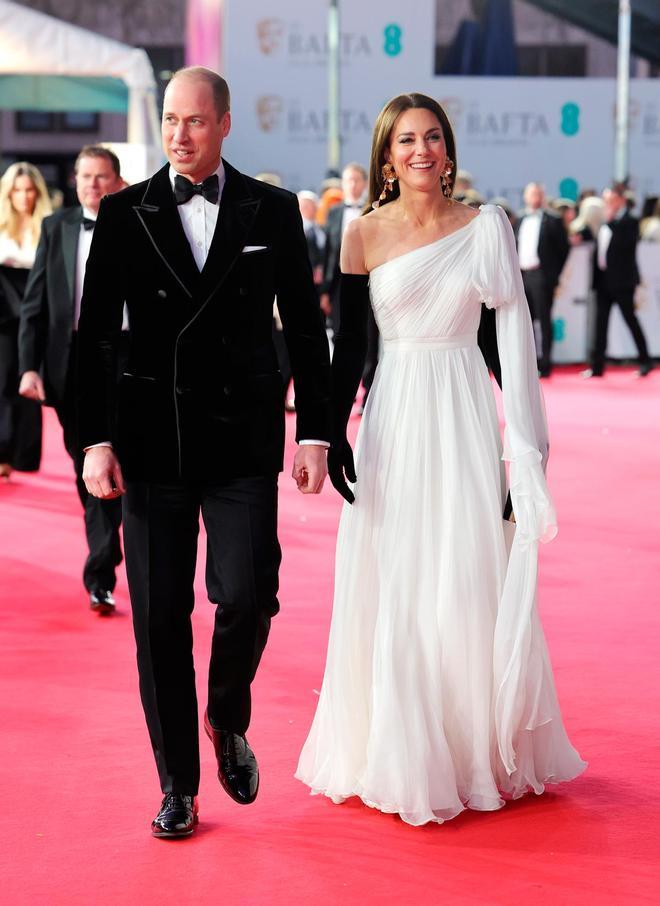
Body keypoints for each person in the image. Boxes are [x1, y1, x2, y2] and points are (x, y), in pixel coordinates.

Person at [296, 92, 586, 826]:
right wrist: (329, 433)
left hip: (462, 418)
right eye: (404, 141)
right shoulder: (361, 234)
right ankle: (401, 749)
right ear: (386, 157)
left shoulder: (485, 227)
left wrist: (526, 450)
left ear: (449, 150)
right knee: (398, 575)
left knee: (462, 572)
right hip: (397, 417)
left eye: (431, 138)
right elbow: (350, 346)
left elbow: (504, 344)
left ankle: (470, 751)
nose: (420, 150)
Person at [76, 66, 331, 838]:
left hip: (242, 439)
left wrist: (314, 430)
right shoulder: (125, 212)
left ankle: (227, 714)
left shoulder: (274, 210)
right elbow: (91, 338)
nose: (180, 135)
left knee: (250, 592)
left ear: (224, 123)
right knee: (158, 619)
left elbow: (306, 333)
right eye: (169, 121)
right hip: (151, 442)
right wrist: (92, 438)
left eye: (194, 120)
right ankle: (178, 785)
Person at [18, 146, 125, 613]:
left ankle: (102, 568)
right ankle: (106, 550)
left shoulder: (136, 222)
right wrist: (28, 366)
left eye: (101, 177)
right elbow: (34, 304)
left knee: (128, 460)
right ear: (75, 181)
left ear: (116, 181)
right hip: (71, 360)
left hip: (128, 356)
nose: (92, 185)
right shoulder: (56, 226)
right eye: (85, 176)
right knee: (88, 465)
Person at [0, 162, 52, 479]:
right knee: (3, 382)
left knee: (30, 382)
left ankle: (22, 455)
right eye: (17, 190)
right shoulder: (0, 227)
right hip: (3, 314)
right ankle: (2, 453)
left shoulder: (49, 226)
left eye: (29, 189)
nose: (23, 196)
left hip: (36, 313)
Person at [582, 185, 653, 379]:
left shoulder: (630, 220)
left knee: (631, 321)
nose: (607, 203)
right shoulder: (604, 222)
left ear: (621, 200)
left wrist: (612, 221)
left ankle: (645, 361)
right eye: (605, 200)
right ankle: (597, 367)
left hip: (622, 282)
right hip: (603, 281)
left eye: (611, 199)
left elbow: (627, 244)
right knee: (600, 325)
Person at [515, 182, 569, 377]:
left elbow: (564, 249)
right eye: (532, 194)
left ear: (543, 196)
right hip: (522, 275)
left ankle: (545, 363)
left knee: (544, 320)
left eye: (538, 194)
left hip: (542, 276)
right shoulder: (519, 219)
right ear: (525, 197)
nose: (535, 197)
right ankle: (527, 363)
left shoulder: (553, 220)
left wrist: (553, 275)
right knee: (523, 320)